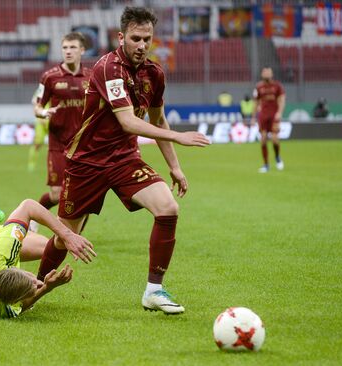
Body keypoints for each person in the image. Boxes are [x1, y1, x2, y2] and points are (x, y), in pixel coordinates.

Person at [36, 7, 210, 315]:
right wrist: (180, 137)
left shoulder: (154, 74)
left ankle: (154, 291)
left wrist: (175, 165)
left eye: (147, 39)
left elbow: (159, 120)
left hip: (125, 160)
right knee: (65, 238)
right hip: (87, 163)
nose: (142, 45)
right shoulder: (108, 67)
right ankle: (34, 287)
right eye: (135, 38)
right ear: (121, 37)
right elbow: (129, 122)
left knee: (168, 207)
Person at [32, 32, 92, 223]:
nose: (68, 51)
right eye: (65, 47)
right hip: (58, 145)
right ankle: (34, 216)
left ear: (82, 50)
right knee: (57, 194)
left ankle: (76, 234)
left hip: (84, 146)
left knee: (84, 193)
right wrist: (42, 113)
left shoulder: (92, 76)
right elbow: (38, 106)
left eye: (73, 47)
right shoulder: (50, 77)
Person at [251, 66, 286, 173]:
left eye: (268, 72)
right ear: (262, 74)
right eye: (265, 72)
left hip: (274, 115)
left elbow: (282, 100)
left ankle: (277, 157)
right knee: (263, 139)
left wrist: (279, 113)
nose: (266, 74)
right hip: (263, 116)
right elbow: (256, 102)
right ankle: (266, 165)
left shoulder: (277, 86)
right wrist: (253, 117)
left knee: (275, 139)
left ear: (272, 74)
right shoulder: (259, 87)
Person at [27, 87, 50, 172]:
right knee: (38, 143)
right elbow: (35, 104)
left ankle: (52, 164)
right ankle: (31, 164)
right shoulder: (40, 89)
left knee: (55, 145)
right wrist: (40, 117)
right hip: (41, 121)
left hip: (53, 120)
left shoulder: (57, 86)